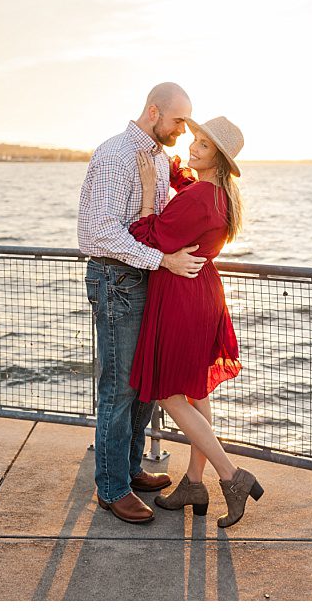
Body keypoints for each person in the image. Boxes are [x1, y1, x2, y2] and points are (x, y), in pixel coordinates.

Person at [77, 82, 207, 524]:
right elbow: (96, 232)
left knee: (143, 383)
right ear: (154, 111)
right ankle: (111, 489)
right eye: (178, 121)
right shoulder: (115, 155)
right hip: (117, 280)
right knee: (120, 388)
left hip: (145, 278)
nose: (182, 130)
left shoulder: (156, 157)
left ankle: (129, 472)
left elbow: (155, 220)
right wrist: (163, 259)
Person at [130, 115, 264, 527]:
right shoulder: (219, 193)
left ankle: (232, 476)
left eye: (203, 146)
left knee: (170, 394)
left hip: (181, 294)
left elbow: (147, 235)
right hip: (203, 291)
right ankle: (193, 481)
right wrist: (168, 163)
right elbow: (186, 185)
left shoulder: (200, 197)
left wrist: (151, 190)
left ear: (218, 159)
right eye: (196, 140)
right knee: (196, 391)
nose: (193, 147)